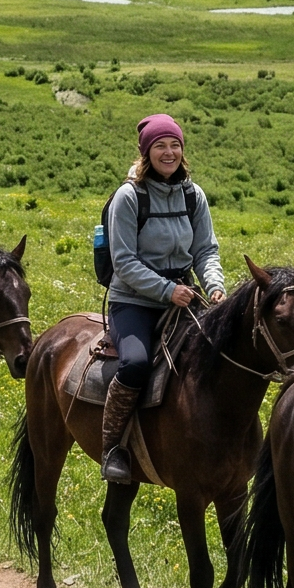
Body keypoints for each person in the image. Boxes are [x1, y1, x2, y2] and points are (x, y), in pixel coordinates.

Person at [100, 113, 225, 483]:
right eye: (160, 146)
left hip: (185, 296)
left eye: (175, 145)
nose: (168, 153)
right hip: (134, 301)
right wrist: (168, 291)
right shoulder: (129, 197)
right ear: (146, 152)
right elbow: (124, 262)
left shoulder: (193, 195)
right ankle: (113, 447)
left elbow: (206, 250)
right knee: (135, 364)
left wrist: (214, 286)